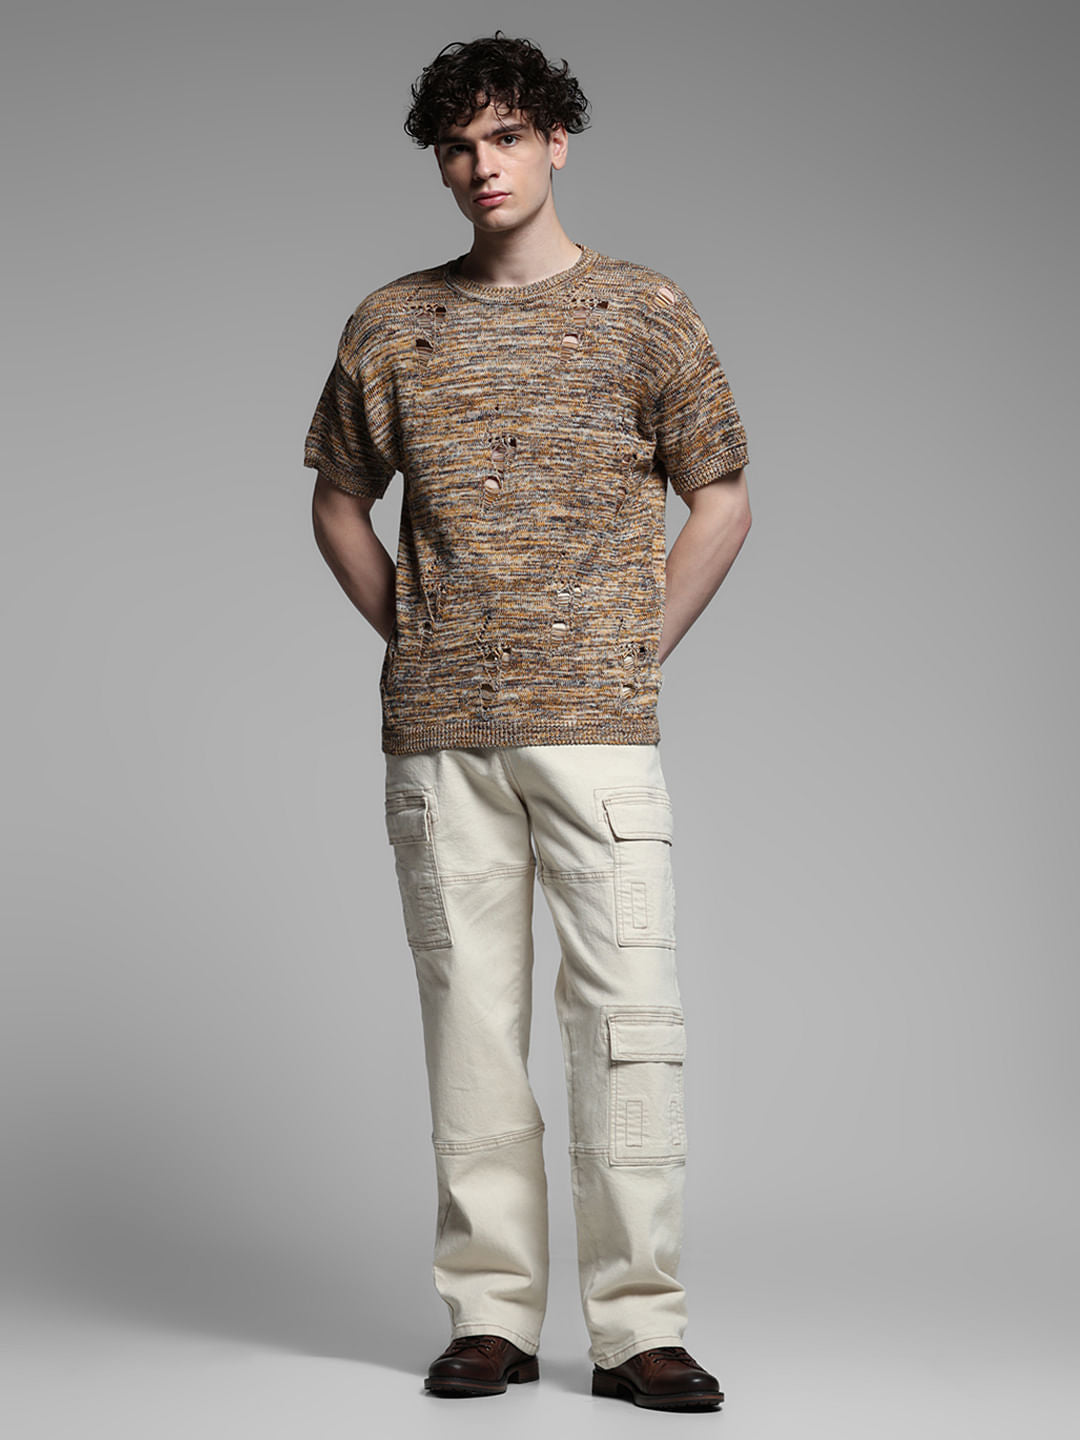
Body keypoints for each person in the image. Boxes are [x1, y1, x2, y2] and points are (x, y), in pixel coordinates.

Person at [302, 30, 751, 1412]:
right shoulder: (392, 324)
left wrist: (636, 647)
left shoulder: (645, 311)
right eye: (458, 147)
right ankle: (489, 1317)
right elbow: (336, 499)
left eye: (505, 137)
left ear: (558, 140)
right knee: (470, 1030)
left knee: (630, 1025)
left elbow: (723, 495)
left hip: (598, 732)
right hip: (442, 735)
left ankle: (638, 1328)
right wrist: (416, 634)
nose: (481, 167)